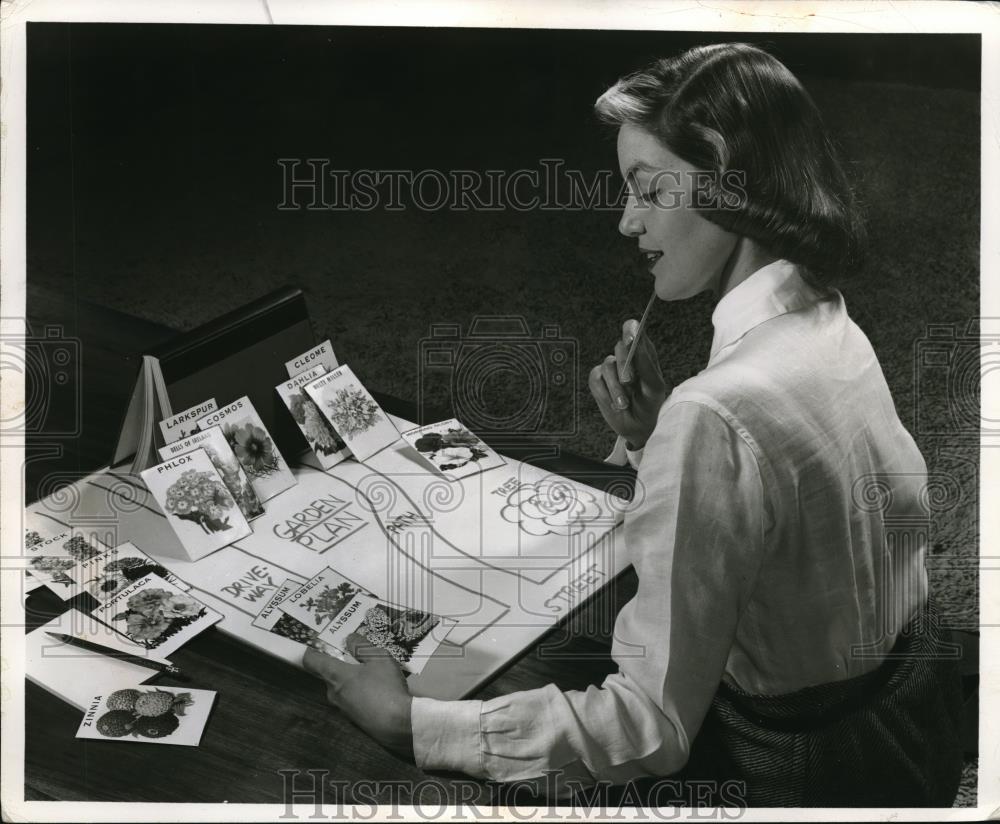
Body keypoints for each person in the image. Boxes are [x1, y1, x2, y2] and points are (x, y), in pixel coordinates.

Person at [302, 43, 964, 806]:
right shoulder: (826, 319)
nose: (626, 222)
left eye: (648, 191)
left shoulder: (716, 410)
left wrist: (413, 726)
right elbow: (796, 531)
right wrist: (655, 436)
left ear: (719, 170)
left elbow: (651, 724)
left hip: (805, 773)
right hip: (915, 717)